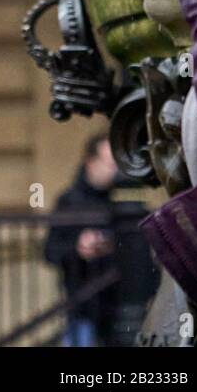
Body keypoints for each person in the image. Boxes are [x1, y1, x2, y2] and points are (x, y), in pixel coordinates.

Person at [43, 133, 122, 347]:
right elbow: (50, 251)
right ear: (91, 162)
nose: (114, 170)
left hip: (119, 307)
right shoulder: (69, 201)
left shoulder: (123, 199)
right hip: (83, 306)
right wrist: (79, 249)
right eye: (109, 163)